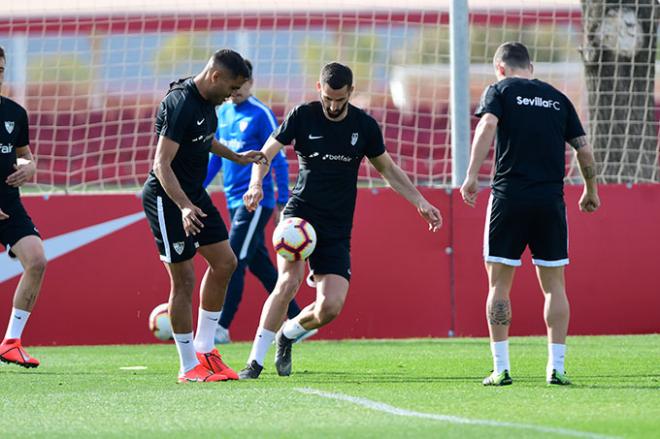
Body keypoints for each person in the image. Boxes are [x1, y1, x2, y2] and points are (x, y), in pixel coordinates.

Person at [239, 62, 443, 379]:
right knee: (288, 282)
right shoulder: (302, 115)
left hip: (336, 226)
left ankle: (287, 334)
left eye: (340, 99)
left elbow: (388, 169)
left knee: (330, 308)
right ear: (320, 89)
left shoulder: (364, 126)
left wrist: (420, 201)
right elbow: (266, 153)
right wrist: (255, 184)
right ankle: (254, 362)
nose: (333, 106)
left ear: (351, 91)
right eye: (328, 98)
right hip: (300, 217)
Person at [460, 42, 600, 386]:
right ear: (531, 67)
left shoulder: (499, 90)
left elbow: (487, 125)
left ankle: (501, 368)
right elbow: (583, 148)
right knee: (554, 287)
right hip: (550, 201)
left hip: (509, 197)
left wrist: (471, 175)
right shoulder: (557, 98)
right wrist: (591, 189)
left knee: (499, 285)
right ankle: (557, 368)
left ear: (500, 68)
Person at [141, 49, 267, 383]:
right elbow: (161, 164)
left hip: (194, 194)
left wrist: (236, 157)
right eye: (231, 87)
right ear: (216, 77)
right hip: (168, 199)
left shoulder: (210, 103)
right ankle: (188, 367)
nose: (233, 95)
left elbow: (205, 140)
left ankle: (205, 349)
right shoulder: (180, 103)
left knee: (226, 262)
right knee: (183, 279)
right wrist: (183, 206)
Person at [202, 60, 314, 344]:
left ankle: (222, 326)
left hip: (255, 201)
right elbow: (217, 157)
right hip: (232, 198)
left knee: (233, 259)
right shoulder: (223, 112)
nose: (236, 91)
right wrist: (196, 187)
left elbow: (274, 156)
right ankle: (299, 320)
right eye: (233, 86)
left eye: (241, 86)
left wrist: (281, 200)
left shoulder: (260, 114)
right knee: (259, 264)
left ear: (251, 83)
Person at [0, 45, 48, 369]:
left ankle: (11, 342)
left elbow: (26, 156)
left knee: (37, 260)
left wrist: (30, 167)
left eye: (1, 72)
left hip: (8, 205)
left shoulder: (15, 113)